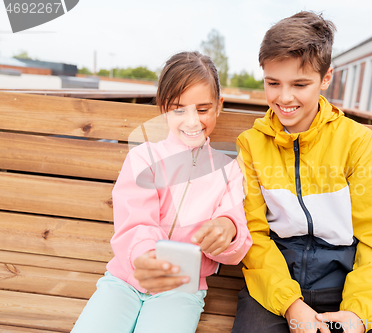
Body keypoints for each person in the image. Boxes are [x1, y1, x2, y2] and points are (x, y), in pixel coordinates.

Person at [232, 11, 372, 333]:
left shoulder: (355, 140)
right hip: (274, 281)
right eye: (273, 83)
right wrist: (291, 305)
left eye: (300, 84)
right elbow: (253, 235)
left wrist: (359, 313)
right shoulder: (251, 144)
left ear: (326, 78)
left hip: (343, 282)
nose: (284, 97)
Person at [71, 51, 252, 333]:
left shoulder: (229, 171)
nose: (192, 121)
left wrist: (228, 231)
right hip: (125, 280)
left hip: (182, 288)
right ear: (163, 107)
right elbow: (136, 220)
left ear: (219, 106)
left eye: (202, 110)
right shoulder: (144, 158)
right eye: (178, 109)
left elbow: (235, 228)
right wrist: (144, 256)